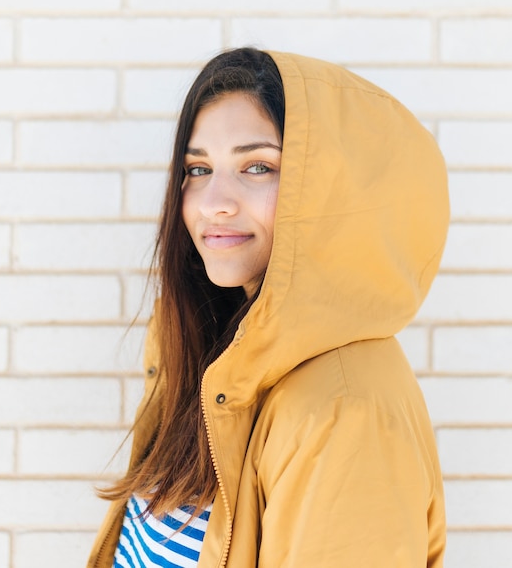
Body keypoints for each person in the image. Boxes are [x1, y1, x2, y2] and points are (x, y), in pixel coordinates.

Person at [88, 47, 449, 568]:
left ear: (327, 189)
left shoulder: (346, 411)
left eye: (258, 167)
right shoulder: (204, 346)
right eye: (198, 168)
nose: (215, 200)